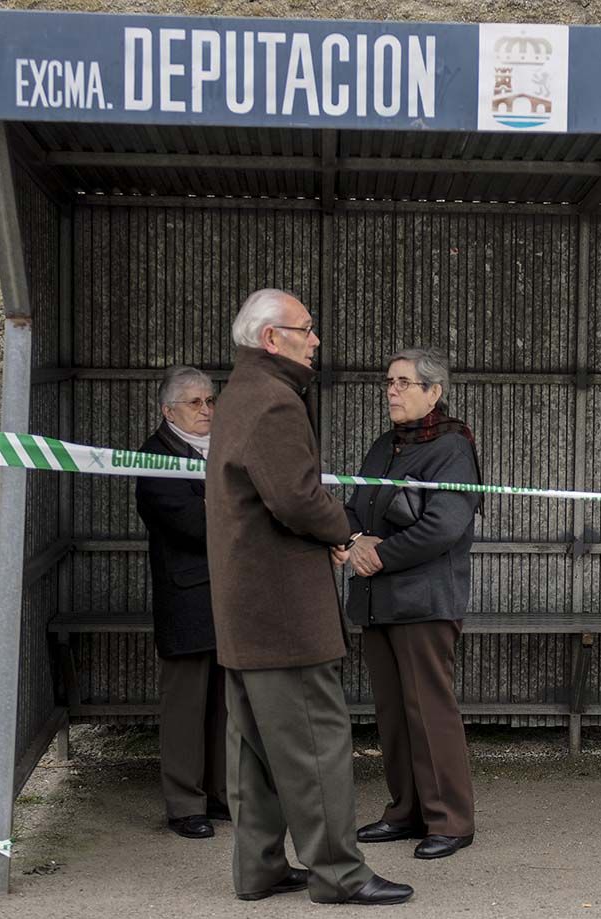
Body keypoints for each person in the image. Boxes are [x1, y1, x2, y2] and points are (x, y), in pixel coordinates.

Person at [205, 288, 413, 905]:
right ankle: (339, 875)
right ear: (272, 338)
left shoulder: (240, 393)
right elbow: (295, 497)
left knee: (253, 753)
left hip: (245, 608)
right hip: (284, 610)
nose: (315, 340)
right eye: (306, 329)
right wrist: (346, 532)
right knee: (318, 747)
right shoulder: (275, 401)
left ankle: (260, 869)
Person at [344, 347, 481, 860]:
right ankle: (406, 811)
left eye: (404, 383)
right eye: (389, 382)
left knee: (430, 711)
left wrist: (379, 556)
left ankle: (450, 819)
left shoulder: (452, 449)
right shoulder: (384, 446)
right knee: (394, 713)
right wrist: (349, 538)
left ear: (434, 392)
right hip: (379, 603)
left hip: (424, 602)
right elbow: (357, 504)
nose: (393, 391)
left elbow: (444, 525)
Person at [134, 365, 228, 839]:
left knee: (223, 703)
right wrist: (236, 508)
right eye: (195, 403)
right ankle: (184, 804)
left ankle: (219, 793)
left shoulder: (220, 448)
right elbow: (192, 524)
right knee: (185, 705)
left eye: (210, 400)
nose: (206, 409)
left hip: (228, 594)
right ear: (168, 410)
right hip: (188, 596)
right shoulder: (156, 457)